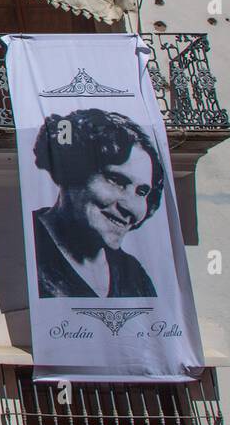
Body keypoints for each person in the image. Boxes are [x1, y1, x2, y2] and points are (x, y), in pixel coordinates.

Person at [31, 108, 162, 299]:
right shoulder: (25, 245)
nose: (131, 207)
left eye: (142, 192)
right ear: (71, 171)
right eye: (116, 180)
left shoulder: (134, 278)